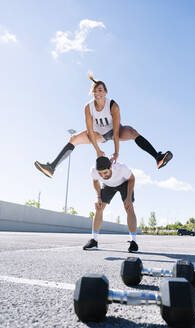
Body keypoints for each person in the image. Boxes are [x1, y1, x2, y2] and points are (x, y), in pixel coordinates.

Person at [34, 73, 173, 178]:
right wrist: (98, 150)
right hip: (98, 135)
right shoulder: (88, 107)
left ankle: (157, 157)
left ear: (105, 92)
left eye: (100, 90)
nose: (97, 93)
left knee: (131, 131)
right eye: (95, 91)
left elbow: (117, 131)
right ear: (92, 93)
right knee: (74, 139)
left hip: (114, 131)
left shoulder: (113, 105)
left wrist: (116, 152)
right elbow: (89, 130)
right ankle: (52, 167)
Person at [83, 156, 138, 252]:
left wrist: (128, 198)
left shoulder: (121, 168)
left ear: (111, 167)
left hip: (124, 183)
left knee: (129, 207)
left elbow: (132, 179)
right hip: (108, 185)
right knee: (99, 208)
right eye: (100, 174)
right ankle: (94, 240)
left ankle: (133, 242)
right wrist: (98, 197)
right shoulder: (94, 171)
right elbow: (95, 181)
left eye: (105, 172)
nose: (103, 176)